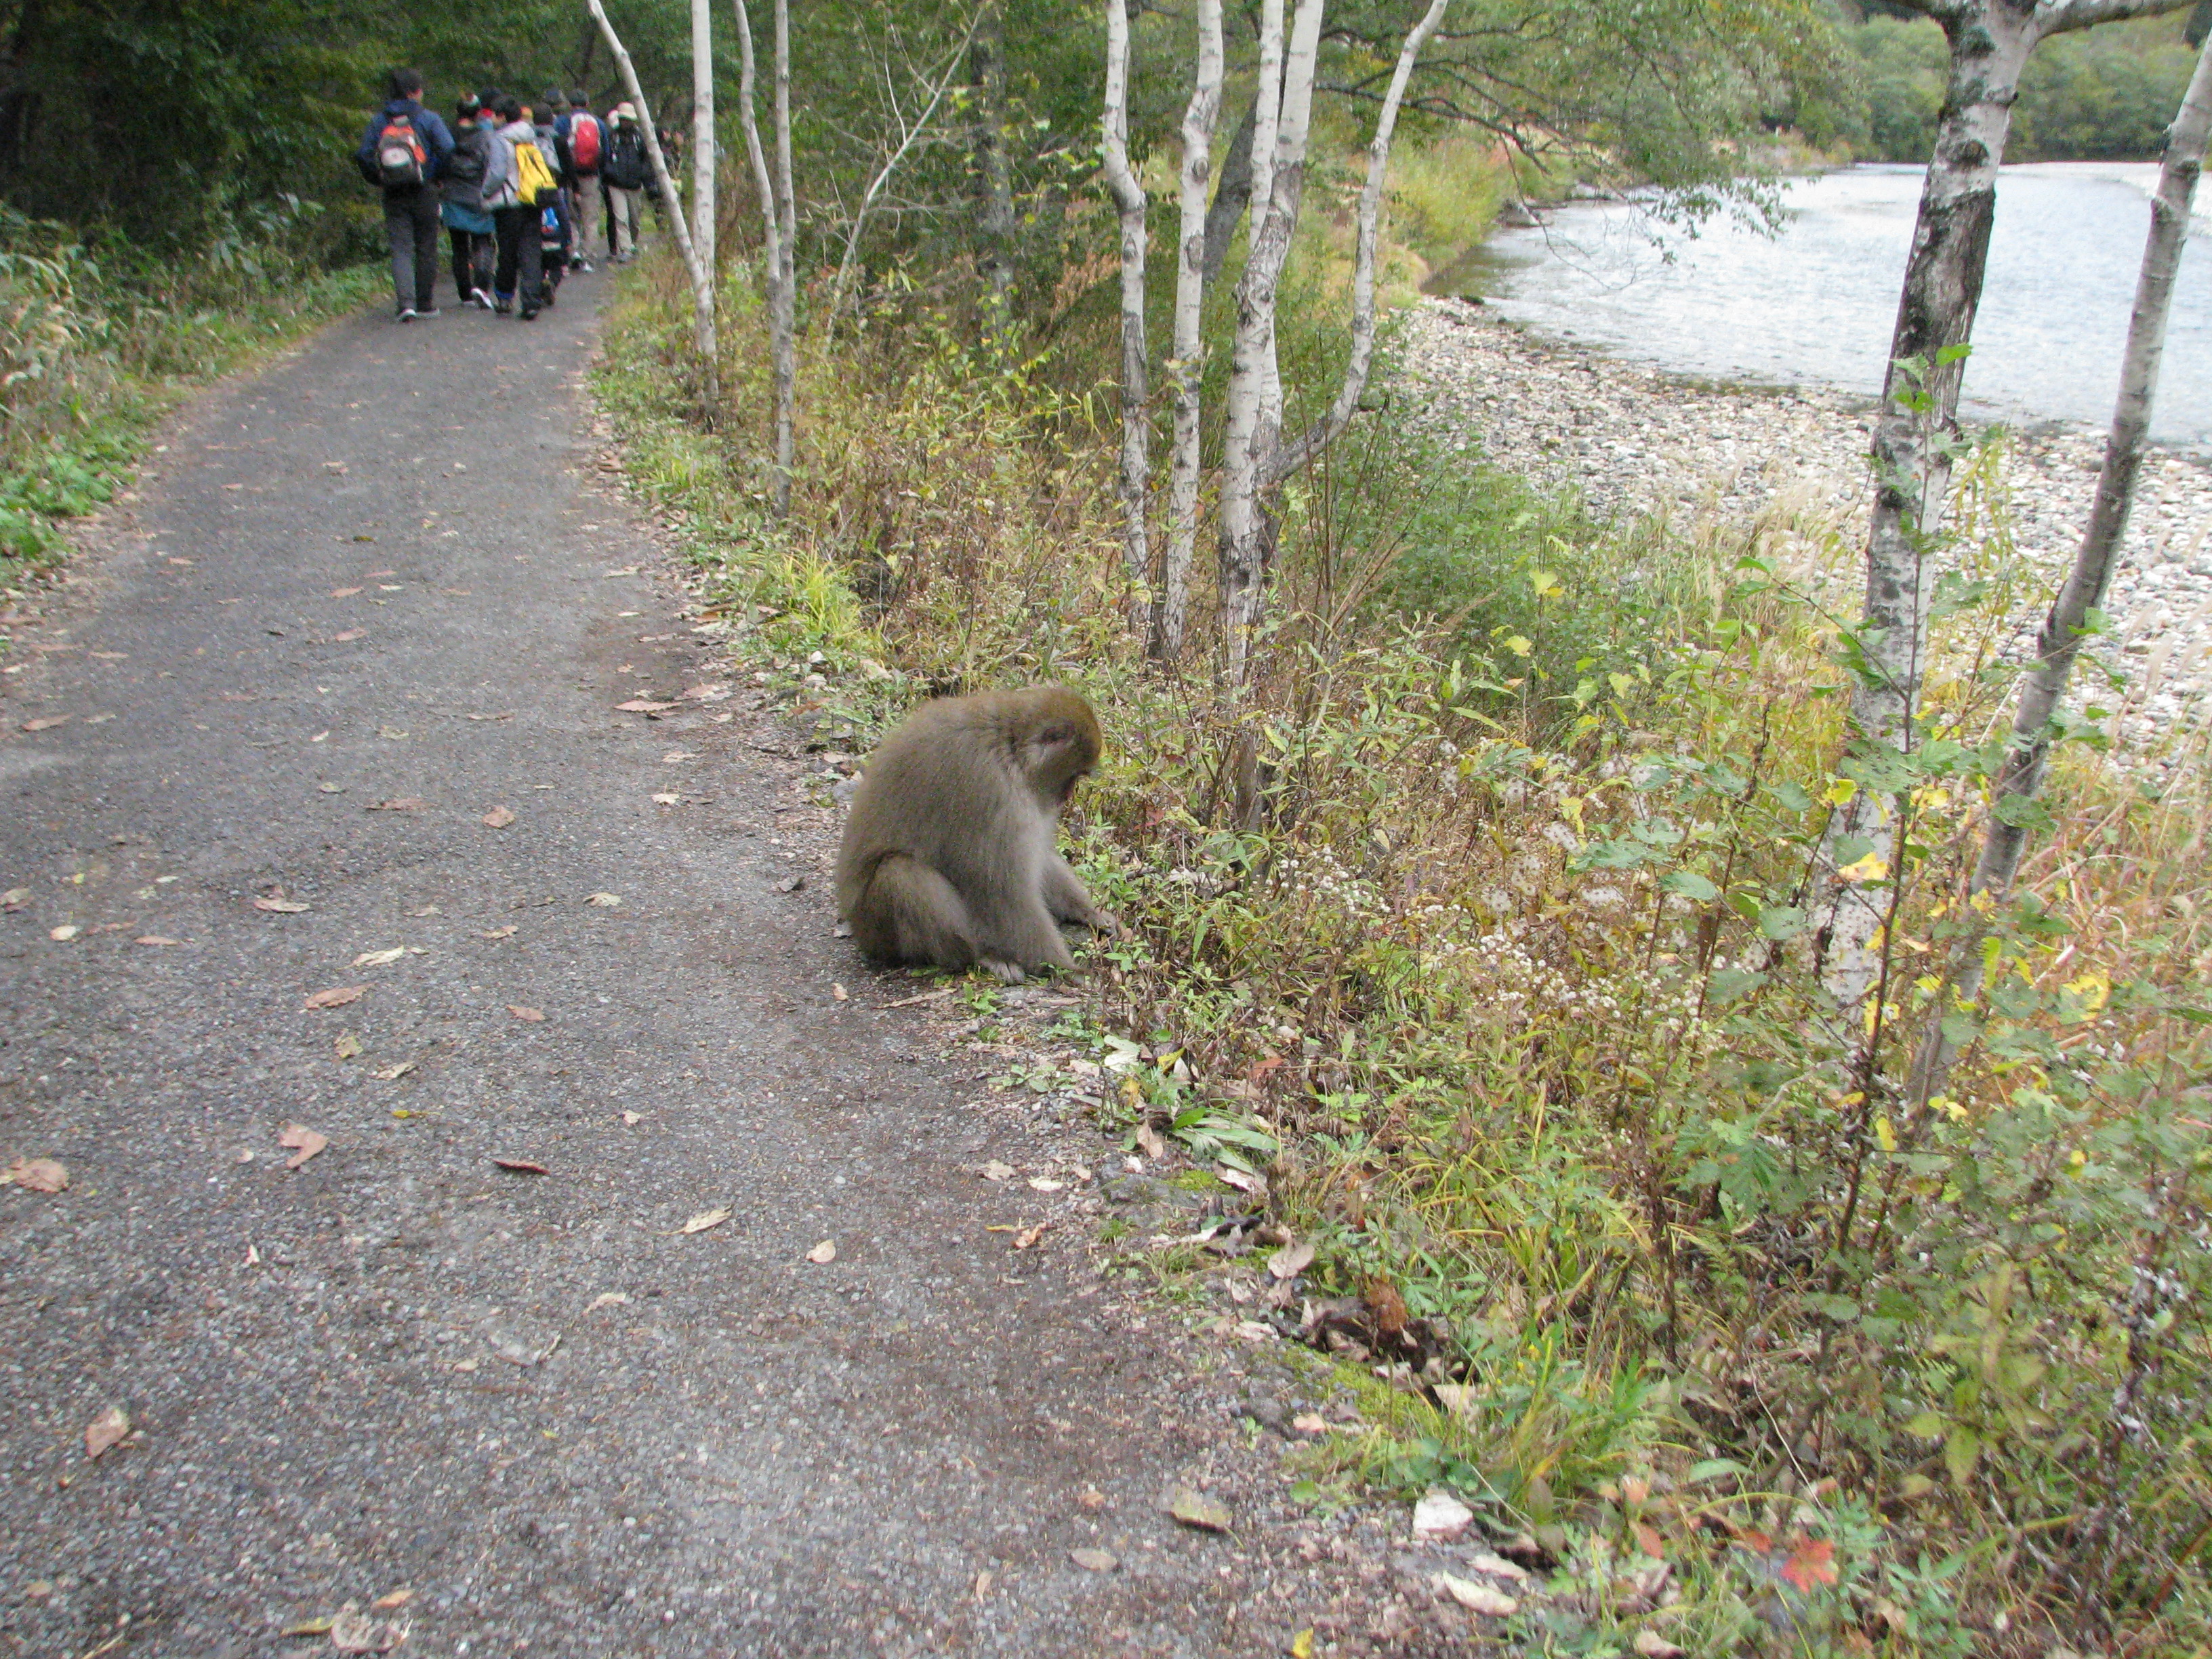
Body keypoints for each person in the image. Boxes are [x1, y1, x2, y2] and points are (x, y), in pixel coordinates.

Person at [356, 68, 454, 321]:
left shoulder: (380, 121)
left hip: (394, 192)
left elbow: (364, 154)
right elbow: (447, 148)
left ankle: (405, 304)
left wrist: (379, 178)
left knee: (401, 248)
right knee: (426, 246)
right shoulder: (429, 118)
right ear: (416, 92)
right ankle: (425, 303)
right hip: (425, 189)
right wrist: (437, 175)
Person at [488, 96, 552, 319]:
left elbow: (497, 173)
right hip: (533, 199)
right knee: (531, 250)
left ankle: (505, 297)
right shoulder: (532, 135)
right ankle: (531, 302)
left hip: (509, 203)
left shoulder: (500, 139)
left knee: (508, 252)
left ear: (502, 117)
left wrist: (485, 192)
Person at [440, 95, 497, 309]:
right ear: (478, 113)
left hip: (453, 195)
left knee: (459, 247)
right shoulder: (485, 137)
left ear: (458, 112)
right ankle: (481, 286)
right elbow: (491, 166)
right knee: (482, 241)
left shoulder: (446, 135)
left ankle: (465, 294)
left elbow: (440, 162)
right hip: (479, 196)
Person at [558, 89, 602, 272]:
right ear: (587, 103)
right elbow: (605, 151)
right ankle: (588, 258)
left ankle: (574, 252)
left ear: (570, 105)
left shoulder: (563, 122)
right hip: (591, 176)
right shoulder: (598, 123)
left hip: (569, 177)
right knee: (590, 219)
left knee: (571, 217)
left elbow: (559, 148)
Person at [600, 102, 648, 264]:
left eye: (628, 119)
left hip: (635, 184)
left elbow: (646, 160)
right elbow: (604, 158)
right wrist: (611, 173)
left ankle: (632, 243)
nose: (625, 122)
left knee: (634, 220)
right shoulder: (612, 137)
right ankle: (625, 249)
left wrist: (643, 177)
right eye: (623, 119)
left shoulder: (640, 138)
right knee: (621, 218)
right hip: (616, 185)